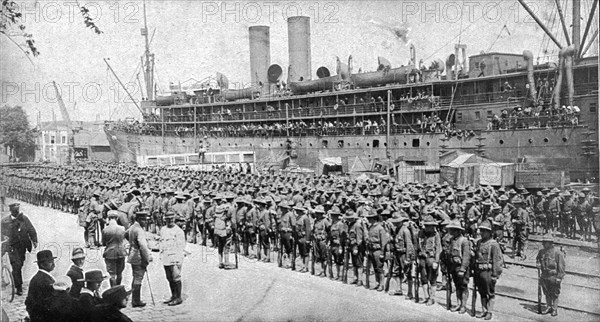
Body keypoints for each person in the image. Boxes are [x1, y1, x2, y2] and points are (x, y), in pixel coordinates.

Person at [1, 202, 38, 295]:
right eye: (15, 210)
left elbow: (31, 229)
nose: (17, 212)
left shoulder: (24, 219)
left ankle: (15, 279)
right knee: (16, 266)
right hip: (11, 247)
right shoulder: (4, 221)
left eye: (18, 210)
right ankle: (19, 286)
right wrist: (3, 237)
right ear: (11, 211)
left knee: (19, 265)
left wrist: (34, 240)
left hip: (22, 247)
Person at [473, 220, 503, 320]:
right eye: (481, 230)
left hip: (488, 272)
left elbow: (497, 261)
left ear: (490, 232)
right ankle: (484, 310)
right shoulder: (479, 243)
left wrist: (495, 275)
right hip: (479, 271)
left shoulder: (493, 244)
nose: (481, 233)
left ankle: (489, 311)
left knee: (490, 293)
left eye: (484, 231)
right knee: (481, 292)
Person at [125, 210, 153, 307]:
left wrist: (132, 243)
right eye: (144, 220)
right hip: (139, 256)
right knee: (138, 278)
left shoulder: (132, 227)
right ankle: (136, 301)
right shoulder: (139, 230)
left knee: (135, 277)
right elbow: (143, 247)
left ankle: (134, 299)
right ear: (140, 220)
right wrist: (146, 259)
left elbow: (125, 234)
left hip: (133, 254)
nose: (146, 222)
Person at [159, 211, 186, 306]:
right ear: (165, 219)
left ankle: (178, 297)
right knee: (169, 277)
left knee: (176, 277)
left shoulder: (178, 231)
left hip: (175, 257)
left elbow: (181, 246)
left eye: (171, 219)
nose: (169, 220)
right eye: (167, 219)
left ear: (174, 219)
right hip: (166, 256)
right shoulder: (163, 229)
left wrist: (177, 260)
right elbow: (161, 242)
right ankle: (173, 295)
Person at [536, 234, 566, 316]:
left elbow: (561, 267)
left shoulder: (557, 253)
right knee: (546, 292)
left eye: (545, 242)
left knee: (555, 293)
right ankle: (549, 307)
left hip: (554, 276)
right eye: (543, 242)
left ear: (550, 243)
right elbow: (538, 259)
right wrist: (538, 264)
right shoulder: (541, 251)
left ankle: (554, 309)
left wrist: (559, 278)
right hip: (544, 275)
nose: (543, 244)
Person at [446, 221, 471, 314]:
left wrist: (463, 269)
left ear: (457, 231)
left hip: (461, 267)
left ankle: (463, 306)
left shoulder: (464, 241)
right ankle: (458, 303)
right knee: (457, 286)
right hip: (453, 266)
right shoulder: (452, 240)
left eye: (452, 230)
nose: (451, 231)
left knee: (463, 286)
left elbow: (466, 256)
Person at [25, 250, 57, 321]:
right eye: (50, 262)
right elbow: (49, 304)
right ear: (42, 264)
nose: (53, 264)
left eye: (53, 261)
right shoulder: (45, 280)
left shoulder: (38, 277)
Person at [103, 210, 128, 287]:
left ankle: (113, 291)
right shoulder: (122, 228)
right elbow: (124, 239)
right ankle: (118, 289)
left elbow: (103, 242)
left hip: (110, 253)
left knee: (112, 274)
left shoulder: (105, 230)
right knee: (119, 273)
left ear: (108, 218)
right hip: (121, 252)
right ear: (117, 218)